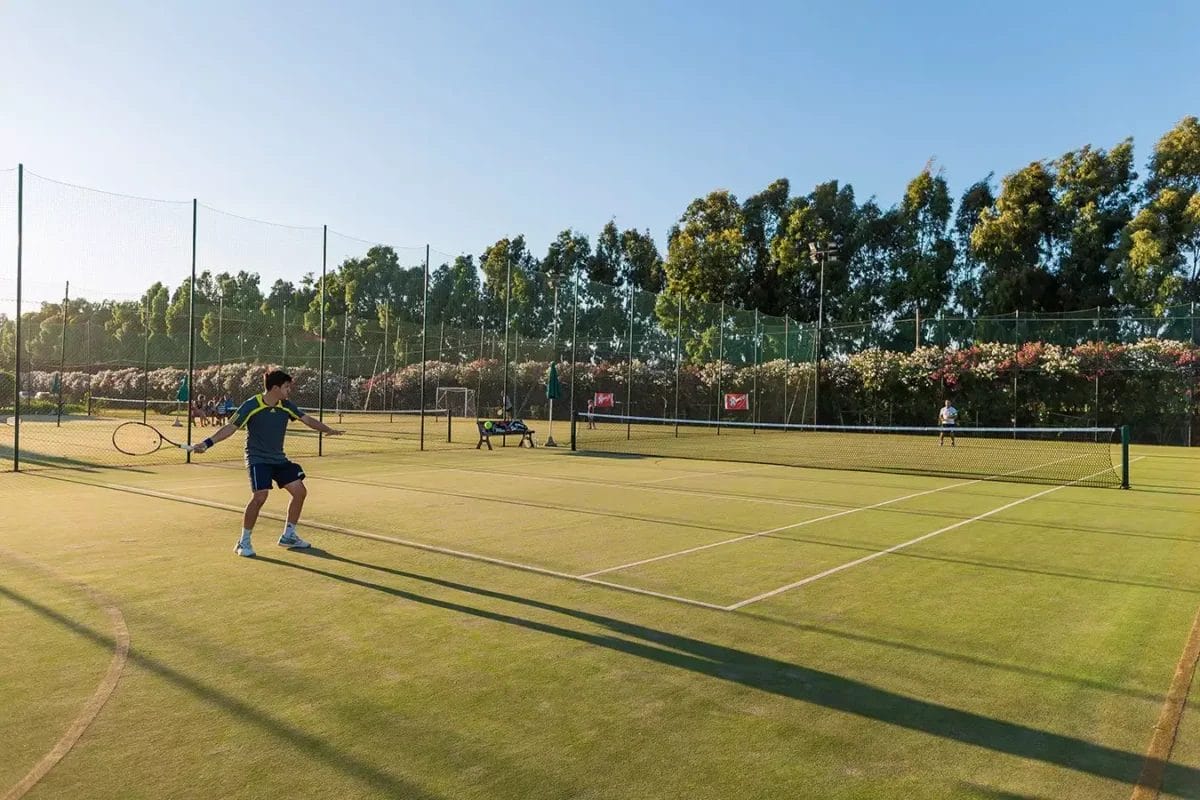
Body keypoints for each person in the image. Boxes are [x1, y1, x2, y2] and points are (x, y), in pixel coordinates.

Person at [192, 370, 342, 557]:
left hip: (278, 458)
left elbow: (307, 419)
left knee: (300, 492)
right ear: (275, 388)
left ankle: (288, 536)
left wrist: (328, 430)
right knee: (260, 497)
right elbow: (231, 427)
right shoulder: (252, 404)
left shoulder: (286, 405)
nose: (289, 391)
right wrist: (207, 444)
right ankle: (243, 541)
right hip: (257, 458)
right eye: (287, 387)